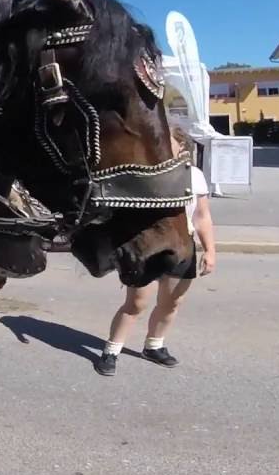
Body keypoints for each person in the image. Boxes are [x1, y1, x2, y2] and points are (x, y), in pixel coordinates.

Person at [93, 125, 217, 376]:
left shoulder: (193, 175)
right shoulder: (143, 174)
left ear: (181, 147)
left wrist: (210, 250)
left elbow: (202, 216)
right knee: (136, 303)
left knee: (171, 303)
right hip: (147, 247)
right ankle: (111, 351)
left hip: (183, 246)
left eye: (164, 140)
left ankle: (154, 346)